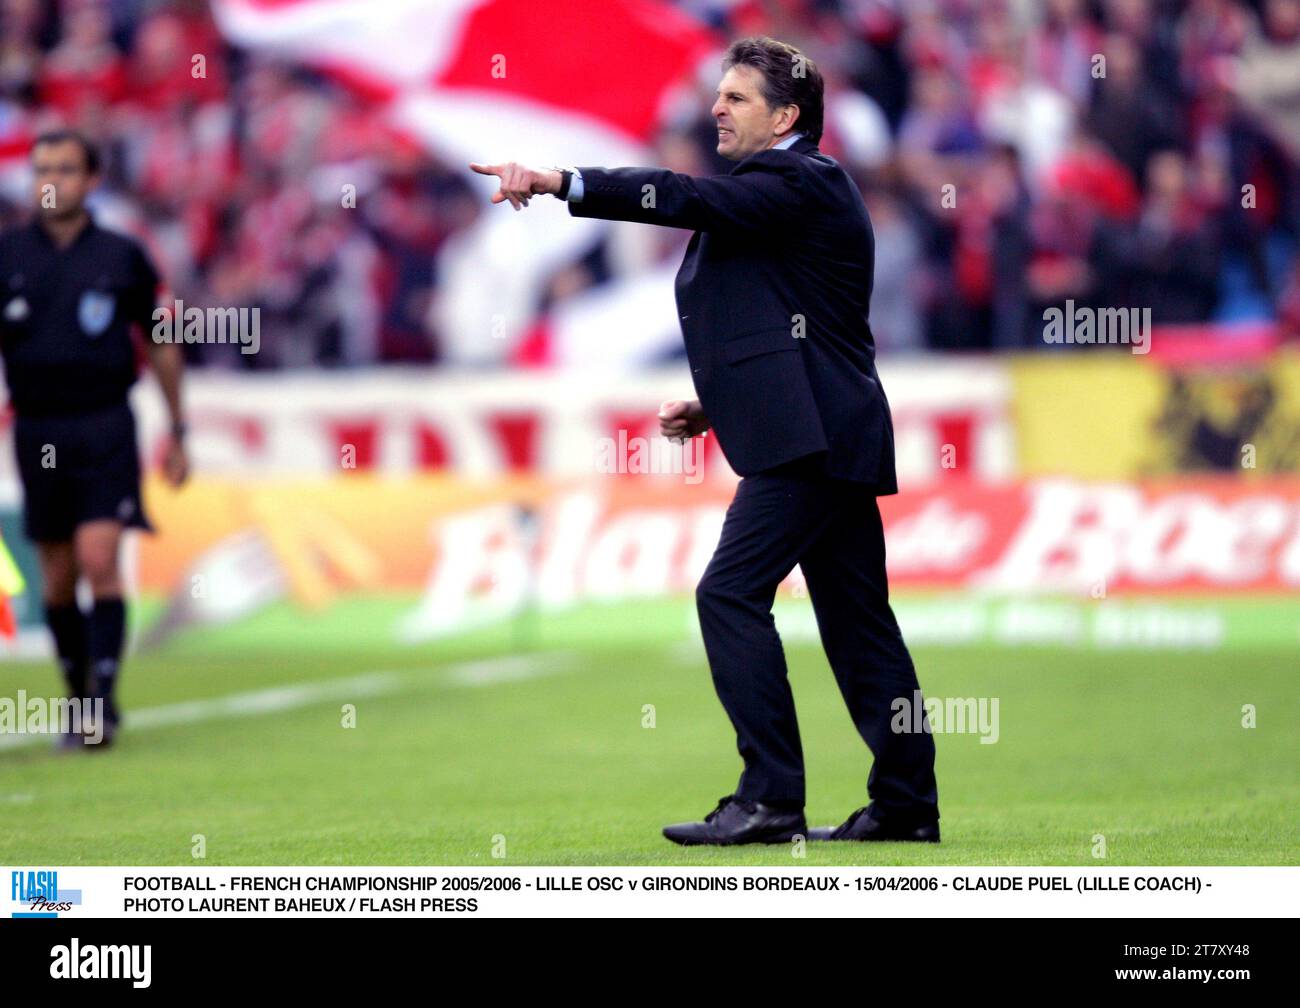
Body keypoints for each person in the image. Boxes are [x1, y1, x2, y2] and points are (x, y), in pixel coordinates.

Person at [471, 36, 940, 845]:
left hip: (810, 444)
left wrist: (558, 182)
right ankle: (904, 804)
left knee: (728, 595)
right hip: (828, 431)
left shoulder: (794, 179)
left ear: (786, 116)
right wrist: (718, 402)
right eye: (717, 94)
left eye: (736, 97)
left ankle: (770, 799)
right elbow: (798, 325)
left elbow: (677, 195)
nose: (714, 108)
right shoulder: (791, 193)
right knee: (860, 625)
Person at [0, 129, 189, 748]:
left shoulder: (123, 255)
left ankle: (102, 703)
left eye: (66, 169)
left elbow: (161, 340)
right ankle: (79, 694)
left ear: (92, 181)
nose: (51, 181)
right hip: (37, 427)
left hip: (106, 423)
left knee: (100, 558)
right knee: (57, 577)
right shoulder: (9, 256)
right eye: (42, 169)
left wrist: (178, 428)